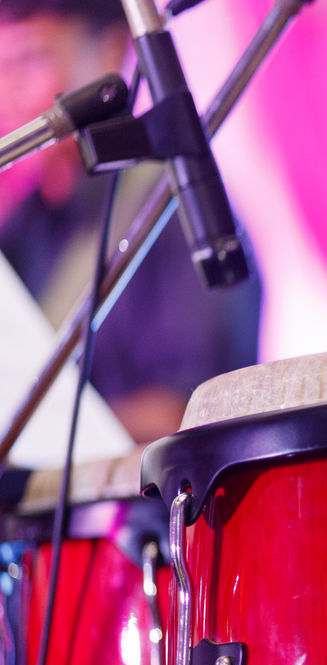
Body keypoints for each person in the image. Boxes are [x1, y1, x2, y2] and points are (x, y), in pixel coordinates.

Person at [0, 0, 260, 443]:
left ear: (109, 54)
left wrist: (45, 437)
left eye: (32, 58)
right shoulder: (21, 230)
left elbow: (197, 413)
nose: (10, 89)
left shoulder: (173, 205)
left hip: (157, 506)